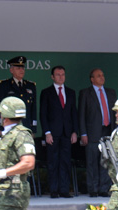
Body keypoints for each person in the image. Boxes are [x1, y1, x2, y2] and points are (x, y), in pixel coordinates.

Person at [39, 65, 79, 198]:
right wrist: (47, 132)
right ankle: (54, 190)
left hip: (67, 133)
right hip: (53, 133)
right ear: (52, 77)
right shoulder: (46, 92)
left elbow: (74, 113)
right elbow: (43, 114)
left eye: (63, 74)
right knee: (53, 161)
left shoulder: (71, 92)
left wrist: (74, 131)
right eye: (58, 74)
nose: (61, 77)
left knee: (65, 161)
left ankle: (64, 190)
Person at [79, 68, 116, 197]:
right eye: (98, 76)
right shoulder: (85, 93)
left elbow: (115, 114)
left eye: (103, 75)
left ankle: (104, 188)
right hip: (92, 132)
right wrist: (83, 133)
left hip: (108, 130)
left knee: (106, 160)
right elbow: (81, 115)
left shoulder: (111, 93)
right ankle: (93, 188)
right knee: (92, 162)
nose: (102, 77)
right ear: (92, 79)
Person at [0, 56, 37, 135]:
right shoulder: (3, 86)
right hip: (9, 127)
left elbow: (33, 109)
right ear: (11, 70)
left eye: (23, 68)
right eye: (18, 68)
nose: (21, 70)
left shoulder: (30, 86)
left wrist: (33, 128)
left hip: (26, 127)